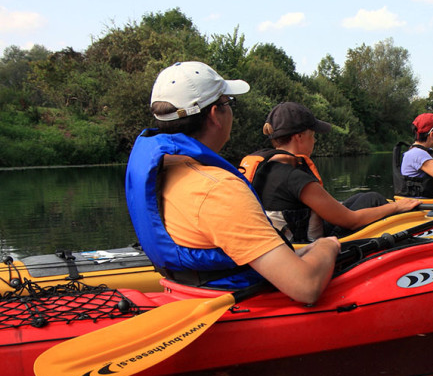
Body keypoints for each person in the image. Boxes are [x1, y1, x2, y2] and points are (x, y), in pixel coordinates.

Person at [125, 61, 338, 304]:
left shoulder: (166, 171)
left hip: (187, 290)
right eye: (229, 103)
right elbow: (306, 286)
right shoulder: (217, 188)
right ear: (216, 115)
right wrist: (326, 246)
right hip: (231, 305)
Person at [240, 102, 420, 242]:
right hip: (308, 246)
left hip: (285, 236)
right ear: (299, 136)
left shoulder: (264, 166)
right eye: (313, 135)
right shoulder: (294, 178)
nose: (315, 140)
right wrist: (397, 206)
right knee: (377, 201)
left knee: (367, 198)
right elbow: (352, 221)